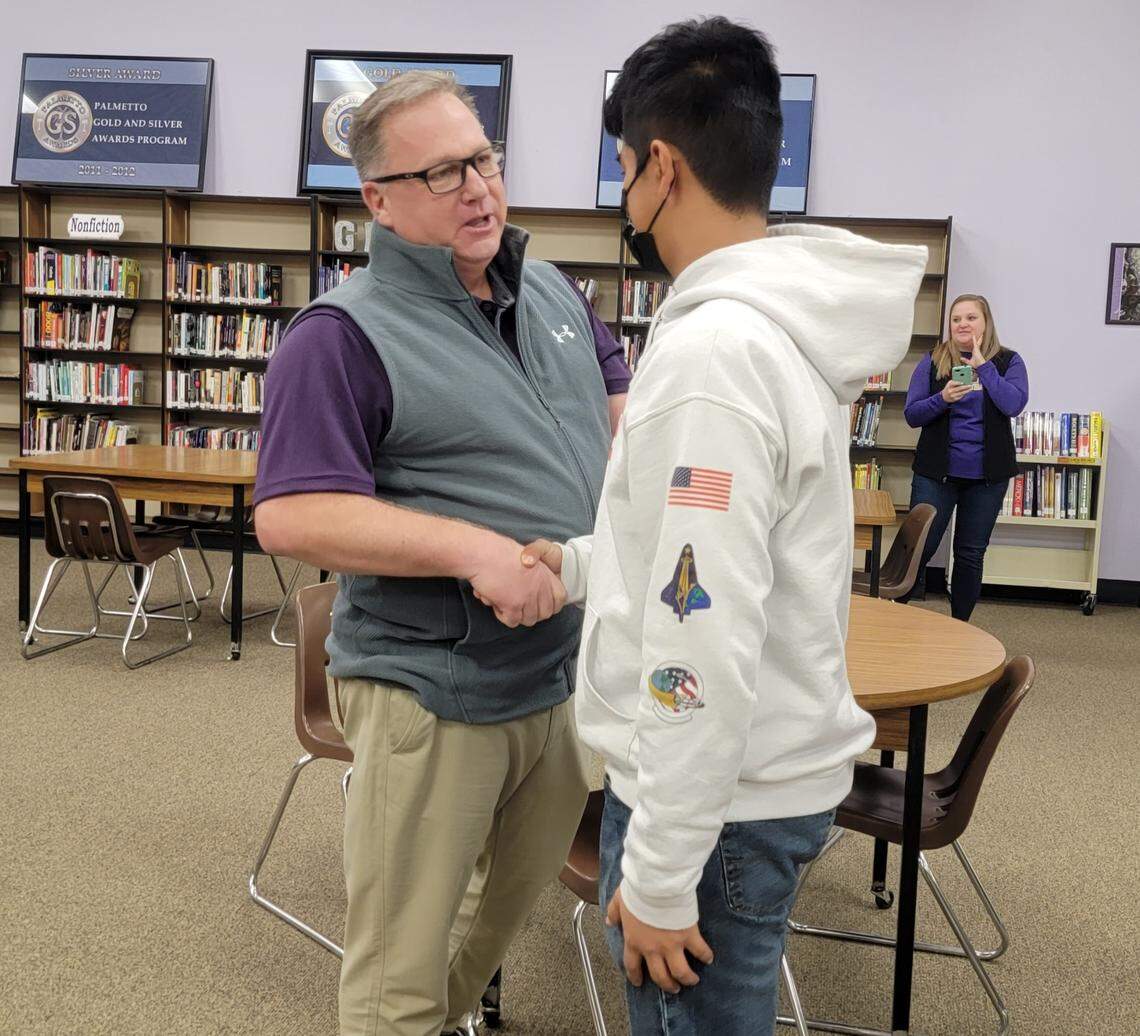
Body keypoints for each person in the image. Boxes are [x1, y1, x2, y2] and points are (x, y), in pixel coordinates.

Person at [517, 17, 928, 1035]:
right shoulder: (767, 331)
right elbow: (706, 556)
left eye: (623, 167)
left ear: (663, 166)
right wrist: (578, 565)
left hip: (710, 816)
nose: (623, 197)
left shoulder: (716, 355)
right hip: (743, 795)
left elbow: (700, 626)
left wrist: (658, 874)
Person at [253, 71, 629, 1036]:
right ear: (377, 199)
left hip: (560, 680)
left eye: (486, 160)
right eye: (443, 172)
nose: (479, 188)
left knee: (488, 926)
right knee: (399, 976)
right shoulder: (339, 336)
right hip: (433, 689)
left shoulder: (552, 291)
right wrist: (475, 550)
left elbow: (629, 421)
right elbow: (292, 517)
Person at [903, 294, 1029, 620]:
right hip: (936, 474)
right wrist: (942, 398)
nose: (963, 324)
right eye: (956, 319)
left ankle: (961, 627)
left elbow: (1013, 404)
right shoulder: (933, 360)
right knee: (920, 547)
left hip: (987, 478)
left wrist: (983, 368)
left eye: (971, 318)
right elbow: (913, 415)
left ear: (986, 323)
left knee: (970, 554)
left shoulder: (1007, 362)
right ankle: (892, 613)